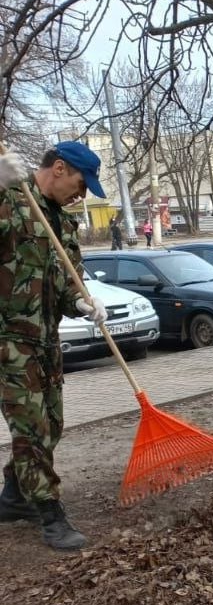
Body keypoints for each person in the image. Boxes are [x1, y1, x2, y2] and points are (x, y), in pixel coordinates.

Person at [0, 142, 109, 550]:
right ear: (59, 169)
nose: (82, 196)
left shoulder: (61, 223)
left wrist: (82, 302)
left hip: (45, 340)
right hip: (8, 342)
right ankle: (49, 513)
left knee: (53, 425)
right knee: (32, 428)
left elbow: (68, 280)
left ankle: (13, 497)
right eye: (81, 185)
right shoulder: (11, 201)